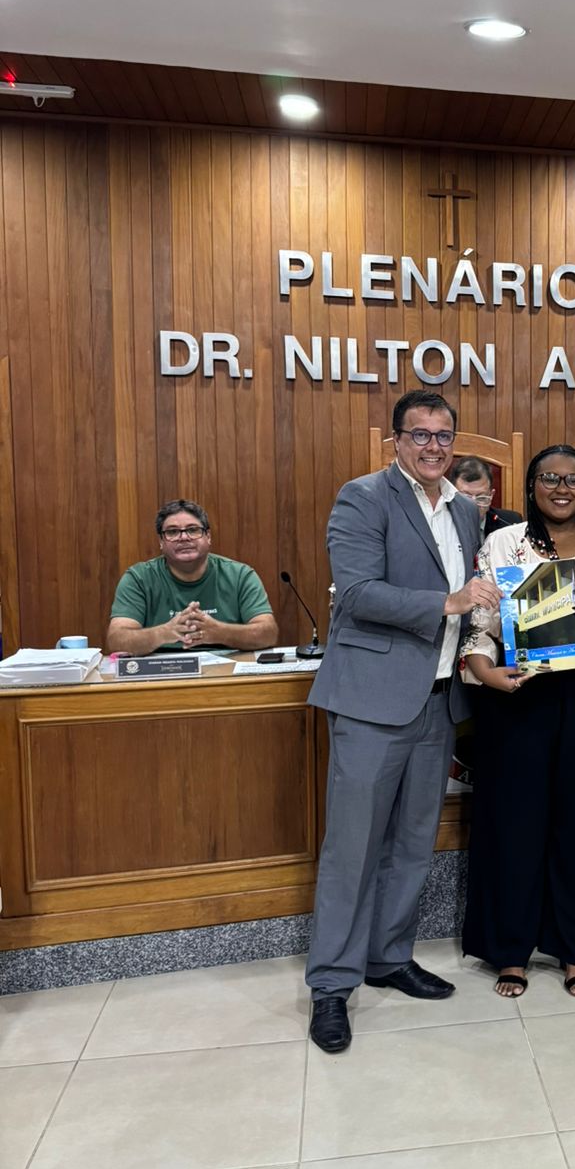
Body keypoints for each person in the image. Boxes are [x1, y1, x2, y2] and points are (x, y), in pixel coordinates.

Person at [304, 389, 498, 1053]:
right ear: (396, 441)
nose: (433, 447)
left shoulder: (467, 512)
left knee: (414, 841)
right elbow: (357, 594)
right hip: (372, 701)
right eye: (420, 435)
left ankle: (388, 957)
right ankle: (332, 984)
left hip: (440, 700)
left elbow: (477, 600)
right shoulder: (363, 498)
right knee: (352, 849)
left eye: (445, 436)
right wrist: (449, 601)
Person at [460, 445, 575, 998]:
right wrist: (482, 670)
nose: (561, 488)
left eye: (572, 479)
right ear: (531, 486)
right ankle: (510, 949)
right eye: (549, 478)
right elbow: (479, 619)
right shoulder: (502, 543)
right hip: (519, 691)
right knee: (513, 818)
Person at [106, 500, 277, 654]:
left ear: (208, 536)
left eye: (193, 530)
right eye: (172, 532)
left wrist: (219, 632)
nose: (184, 537)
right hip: (159, 675)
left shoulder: (240, 575)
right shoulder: (139, 578)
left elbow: (268, 633)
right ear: (160, 541)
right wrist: (165, 633)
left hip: (227, 674)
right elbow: (117, 639)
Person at [451, 455, 522, 536]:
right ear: (451, 495)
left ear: (491, 495)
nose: (473, 505)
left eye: (481, 498)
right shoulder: (441, 523)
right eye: (466, 497)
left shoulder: (509, 523)